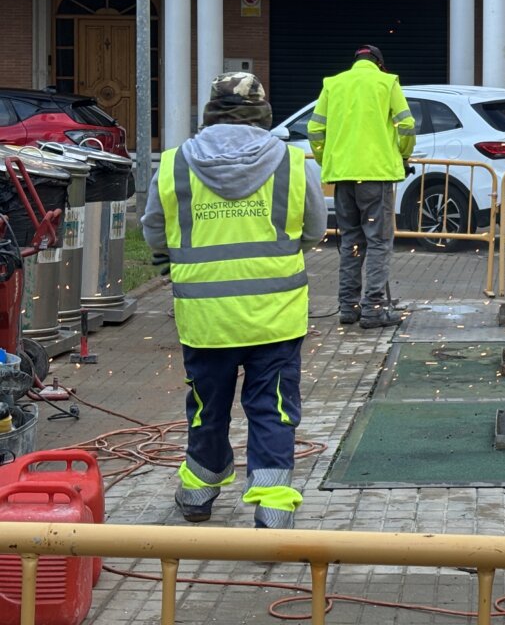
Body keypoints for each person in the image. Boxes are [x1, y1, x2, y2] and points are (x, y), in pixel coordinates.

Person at [141, 72, 326, 529]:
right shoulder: (294, 162)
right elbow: (315, 230)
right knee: (274, 406)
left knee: (207, 404)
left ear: (209, 110)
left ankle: (200, 488)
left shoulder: (173, 164)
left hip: (205, 317)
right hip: (275, 316)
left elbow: (153, 233)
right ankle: (274, 506)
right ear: (263, 112)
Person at [307, 45, 416, 329]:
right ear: (380, 64)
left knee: (351, 241)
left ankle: (348, 307)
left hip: (343, 177)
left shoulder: (333, 84)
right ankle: (373, 308)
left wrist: (326, 158)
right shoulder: (387, 81)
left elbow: (315, 130)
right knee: (379, 242)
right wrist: (403, 155)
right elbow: (406, 125)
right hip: (376, 177)